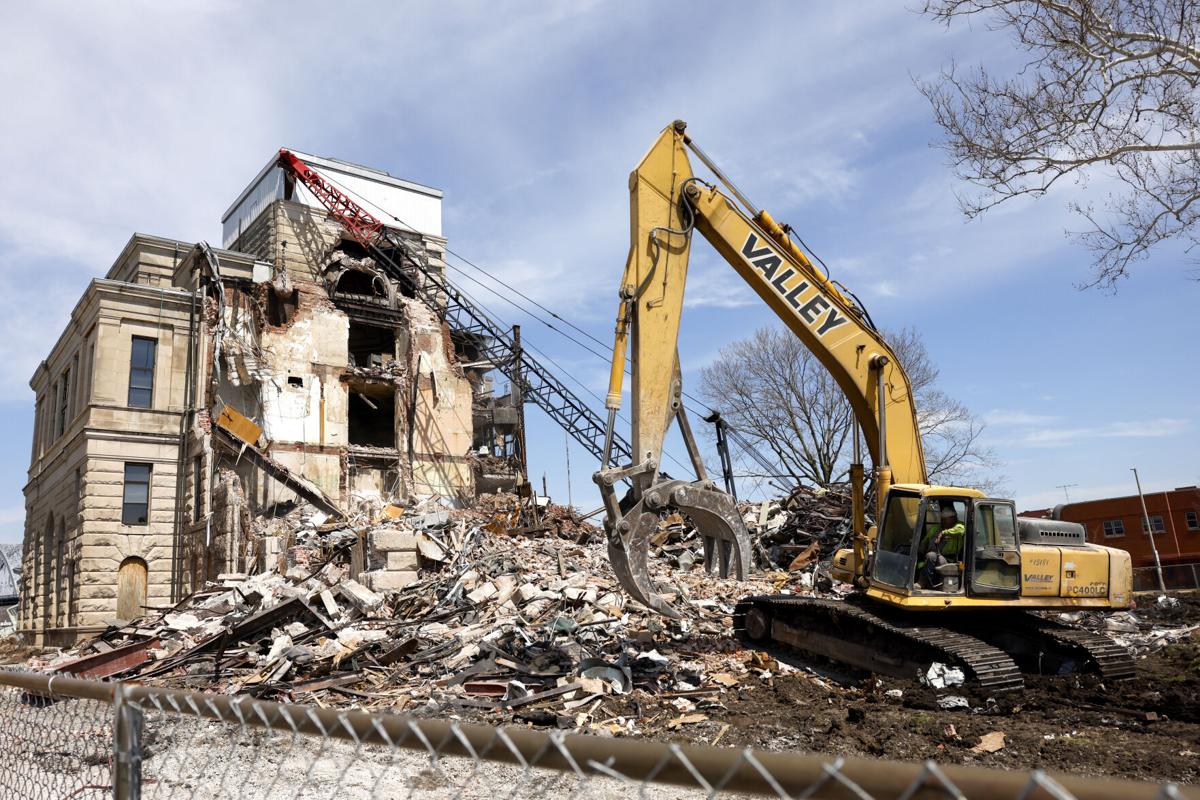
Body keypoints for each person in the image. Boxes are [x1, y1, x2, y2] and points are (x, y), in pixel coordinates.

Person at [919, 505, 965, 588]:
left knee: (935, 558)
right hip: (935, 552)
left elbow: (960, 530)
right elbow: (925, 541)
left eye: (946, 520)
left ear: (953, 518)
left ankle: (941, 586)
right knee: (929, 556)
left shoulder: (959, 526)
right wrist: (921, 549)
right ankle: (922, 583)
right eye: (942, 519)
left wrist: (943, 533)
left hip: (950, 558)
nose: (943, 522)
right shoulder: (936, 528)